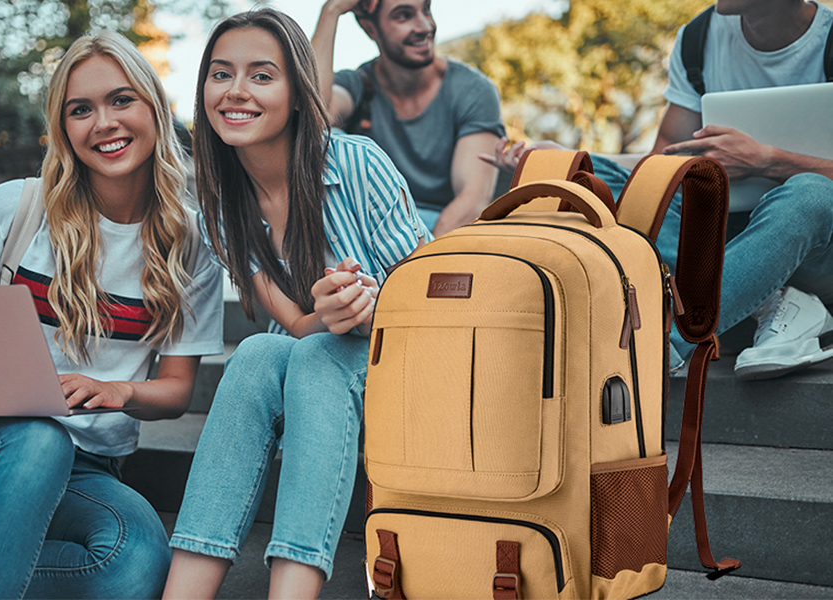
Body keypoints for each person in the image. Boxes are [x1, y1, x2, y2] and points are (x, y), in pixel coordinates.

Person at [0, 30, 224, 600]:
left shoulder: (189, 243)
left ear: (153, 109)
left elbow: (177, 390)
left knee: (136, 563)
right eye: (81, 109)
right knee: (42, 438)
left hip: (89, 469)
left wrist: (118, 390)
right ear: (64, 128)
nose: (104, 122)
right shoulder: (14, 208)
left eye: (121, 100)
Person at [162, 8, 427, 599]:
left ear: (299, 93)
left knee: (316, 356)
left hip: (411, 362)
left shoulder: (358, 164)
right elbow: (296, 323)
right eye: (220, 74)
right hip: (321, 365)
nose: (235, 92)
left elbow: (433, 309)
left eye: (261, 75)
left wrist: (365, 307)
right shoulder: (221, 210)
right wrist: (330, 315)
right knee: (259, 350)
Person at [492, 0, 833, 381]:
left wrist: (766, 161)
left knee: (811, 193)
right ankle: (771, 297)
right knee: (588, 174)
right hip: (722, 233)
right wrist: (572, 157)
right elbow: (662, 164)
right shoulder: (698, 39)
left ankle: (657, 343)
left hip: (815, 246)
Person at [311, 0, 505, 236]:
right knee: (327, 139)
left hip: (444, 233)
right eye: (404, 16)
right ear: (370, 29)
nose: (425, 26)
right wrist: (330, 11)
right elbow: (311, 120)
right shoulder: (358, 86)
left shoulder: (473, 89)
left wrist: (421, 266)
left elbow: (471, 202)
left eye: (426, 10)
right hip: (369, 233)